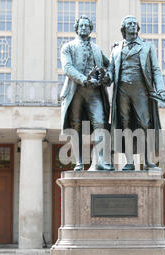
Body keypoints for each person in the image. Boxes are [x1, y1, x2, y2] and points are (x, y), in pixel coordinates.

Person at [106, 15, 165, 171]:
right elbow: (111, 71)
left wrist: (161, 89)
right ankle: (129, 161)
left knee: (145, 123)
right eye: (129, 24)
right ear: (123, 28)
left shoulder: (147, 46)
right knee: (125, 126)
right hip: (122, 91)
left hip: (141, 90)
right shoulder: (116, 49)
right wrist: (106, 76)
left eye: (135, 24)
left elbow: (156, 69)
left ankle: (147, 160)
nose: (133, 26)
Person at [60, 15, 114, 171]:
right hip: (75, 91)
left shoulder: (97, 49)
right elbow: (67, 68)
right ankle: (79, 162)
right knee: (75, 126)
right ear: (76, 28)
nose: (83, 28)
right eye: (81, 25)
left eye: (86, 26)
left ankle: (101, 161)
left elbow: (110, 65)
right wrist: (84, 79)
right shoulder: (68, 47)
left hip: (94, 92)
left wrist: (107, 76)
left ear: (91, 29)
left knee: (100, 122)